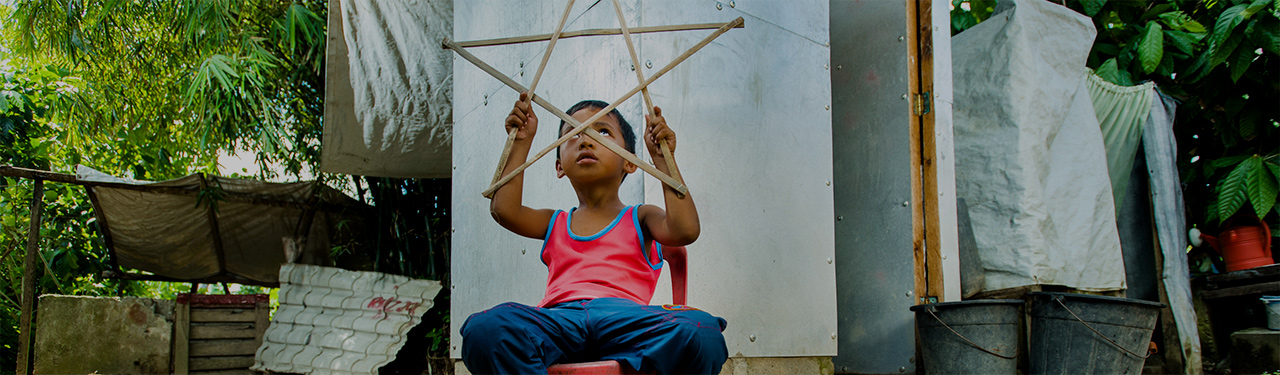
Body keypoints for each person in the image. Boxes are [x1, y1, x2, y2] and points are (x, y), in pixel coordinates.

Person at [460, 93, 728, 374]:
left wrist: (663, 160)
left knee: (701, 331)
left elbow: (685, 231)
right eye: (572, 134)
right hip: (559, 320)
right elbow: (504, 210)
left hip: (625, 321)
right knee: (485, 329)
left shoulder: (641, 216)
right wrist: (520, 141)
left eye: (602, 131)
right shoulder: (554, 221)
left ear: (630, 162)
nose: (586, 140)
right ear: (559, 166)